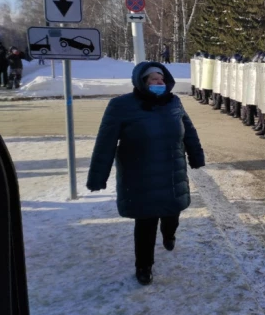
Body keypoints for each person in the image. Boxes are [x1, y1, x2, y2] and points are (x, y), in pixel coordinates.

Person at [86, 61, 205, 286]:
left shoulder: (174, 103)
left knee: (172, 213)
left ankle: (169, 234)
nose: (159, 83)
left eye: (161, 79)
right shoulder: (121, 106)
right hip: (140, 175)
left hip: (172, 173)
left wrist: (196, 157)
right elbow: (105, 143)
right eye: (153, 79)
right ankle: (144, 266)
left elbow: (189, 131)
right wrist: (97, 178)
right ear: (142, 82)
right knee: (146, 223)